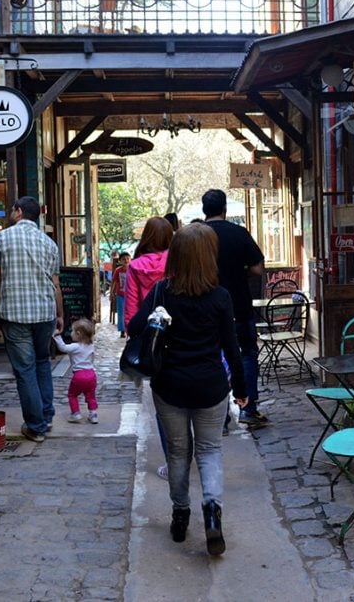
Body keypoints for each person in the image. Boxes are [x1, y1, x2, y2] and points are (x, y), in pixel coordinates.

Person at [128, 223, 248, 556]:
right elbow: (232, 348)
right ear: (210, 256)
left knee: (178, 453)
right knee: (209, 451)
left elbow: (135, 326)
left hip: (170, 386)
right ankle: (212, 513)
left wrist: (157, 315)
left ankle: (180, 516)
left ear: (176, 255)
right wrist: (240, 388)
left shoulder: (163, 292)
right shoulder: (221, 297)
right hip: (210, 386)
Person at [0, 196, 63, 443]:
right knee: (42, 363)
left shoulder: (1, 238)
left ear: (18, 212)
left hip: (15, 314)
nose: (10, 212)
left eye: (12, 209)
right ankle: (46, 417)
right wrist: (59, 314)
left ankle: (36, 426)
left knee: (25, 370)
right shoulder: (49, 244)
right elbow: (56, 285)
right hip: (44, 314)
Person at [201, 188, 267, 428]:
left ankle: (219, 417)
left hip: (205, 308)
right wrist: (241, 271)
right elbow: (258, 268)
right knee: (247, 354)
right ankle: (248, 409)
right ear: (224, 209)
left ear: (204, 210)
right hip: (238, 305)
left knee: (212, 358)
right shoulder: (239, 233)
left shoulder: (197, 236)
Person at [123, 217, 175, 478]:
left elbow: (131, 311)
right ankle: (191, 454)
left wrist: (133, 332)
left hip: (152, 341)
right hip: (178, 335)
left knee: (163, 405)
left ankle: (173, 462)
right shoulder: (177, 262)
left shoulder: (135, 266)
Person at [53, 318, 98, 424]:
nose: (71, 333)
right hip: (91, 374)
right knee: (90, 396)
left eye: (72, 331)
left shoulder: (75, 346)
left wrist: (57, 336)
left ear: (78, 334)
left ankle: (76, 414)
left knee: (72, 395)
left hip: (79, 375)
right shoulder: (91, 346)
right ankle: (93, 414)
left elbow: (63, 348)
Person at [112, 252, 130, 336]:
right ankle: (122, 331)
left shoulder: (133, 269)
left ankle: (129, 329)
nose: (126, 260)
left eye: (127, 258)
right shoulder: (118, 270)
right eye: (123, 259)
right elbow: (115, 282)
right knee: (121, 313)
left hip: (130, 294)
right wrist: (112, 293)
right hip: (120, 295)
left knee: (130, 312)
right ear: (120, 261)